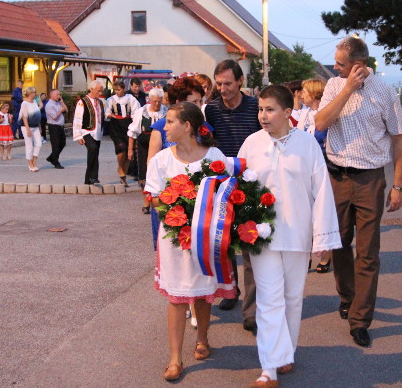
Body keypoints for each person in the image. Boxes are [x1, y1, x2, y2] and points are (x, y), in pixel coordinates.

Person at [239, 85, 341, 388]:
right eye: (260, 109)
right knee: (269, 299)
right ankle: (268, 368)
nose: (263, 115)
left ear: (287, 112)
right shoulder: (251, 143)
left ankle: (287, 352)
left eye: (270, 110)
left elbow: (321, 191)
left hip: (298, 233)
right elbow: (238, 188)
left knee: (293, 298)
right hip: (261, 236)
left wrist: (322, 237)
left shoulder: (307, 145)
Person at [315, 36, 402, 348]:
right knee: (339, 244)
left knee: (367, 253)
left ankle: (360, 320)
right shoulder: (333, 86)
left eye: (340, 64)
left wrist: (398, 185)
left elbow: (399, 139)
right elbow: (321, 123)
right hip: (337, 177)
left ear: (359, 64)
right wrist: (347, 89)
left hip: (370, 180)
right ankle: (348, 297)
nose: (335, 67)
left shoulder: (385, 92)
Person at [144, 102, 236, 382]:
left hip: (206, 237)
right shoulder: (161, 159)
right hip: (175, 237)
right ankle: (175, 359)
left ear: (187, 126)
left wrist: (204, 210)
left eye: (170, 121)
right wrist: (178, 205)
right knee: (177, 298)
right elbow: (153, 197)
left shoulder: (214, 156)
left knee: (204, 291)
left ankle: (202, 339)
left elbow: (228, 191)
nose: (165, 126)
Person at [204, 59, 261, 331]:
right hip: (223, 183)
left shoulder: (255, 107)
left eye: (228, 83)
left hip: (251, 182)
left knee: (249, 244)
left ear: (240, 81)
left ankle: (252, 308)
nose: (223, 89)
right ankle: (230, 289)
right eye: (219, 84)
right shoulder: (211, 110)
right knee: (223, 241)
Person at [297, 78, 332, 274]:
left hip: (324, 167)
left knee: (322, 212)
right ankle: (307, 254)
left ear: (314, 94)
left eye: (305, 92)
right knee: (305, 213)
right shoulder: (304, 114)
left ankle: (326, 254)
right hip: (305, 168)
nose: (302, 95)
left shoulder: (326, 114)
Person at [127, 88, 167, 213]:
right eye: (154, 101)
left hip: (161, 147)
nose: (157, 104)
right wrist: (130, 149)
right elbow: (133, 132)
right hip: (144, 146)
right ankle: (146, 202)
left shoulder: (166, 112)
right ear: (149, 100)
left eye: (159, 101)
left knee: (161, 173)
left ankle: (160, 200)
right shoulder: (141, 111)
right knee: (144, 173)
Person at [106, 81, 141, 186]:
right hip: (115, 126)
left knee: (128, 152)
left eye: (119, 89)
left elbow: (136, 112)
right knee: (121, 149)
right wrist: (111, 115)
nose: (117, 92)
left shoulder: (131, 98)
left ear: (124, 89)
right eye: (115, 90)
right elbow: (107, 113)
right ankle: (120, 169)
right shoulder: (110, 100)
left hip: (128, 125)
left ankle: (123, 174)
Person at [73, 80, 105, 186]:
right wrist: (78, 135)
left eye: (101, 91)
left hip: (97, 132)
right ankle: (93, 176)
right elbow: (77, 118)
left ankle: (88, 180)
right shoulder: (83, 102)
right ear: (91, 89)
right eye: (98, 91)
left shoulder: (99, 102)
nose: (100, 93)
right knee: (93, 148)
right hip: (86, 131)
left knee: (94, 153)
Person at [19, 87, 43, 172]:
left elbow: (38, 113)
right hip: (26, 127)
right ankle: (30, 163)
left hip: (35, 126)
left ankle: (34, 161)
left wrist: (39, 127)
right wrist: (28, 129)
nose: (35, 93)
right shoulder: (24, 103)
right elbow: (24, 117)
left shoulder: (34, 102)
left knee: (39, 143)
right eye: (34, 92)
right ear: (30, 93)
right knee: (29, 145)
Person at [44, 89, 67, 169]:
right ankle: (56, 161)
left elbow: (66, 110)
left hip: (60, 126)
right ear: (52, 95)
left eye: (59, 94)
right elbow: (54, 117)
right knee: (56, 145)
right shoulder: (49, 105)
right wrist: (60, 110)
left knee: (63, 143)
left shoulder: (58, 103)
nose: (59, 96)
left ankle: (52, 157)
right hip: (54, 126)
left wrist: (62, 103)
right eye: (57, 95)